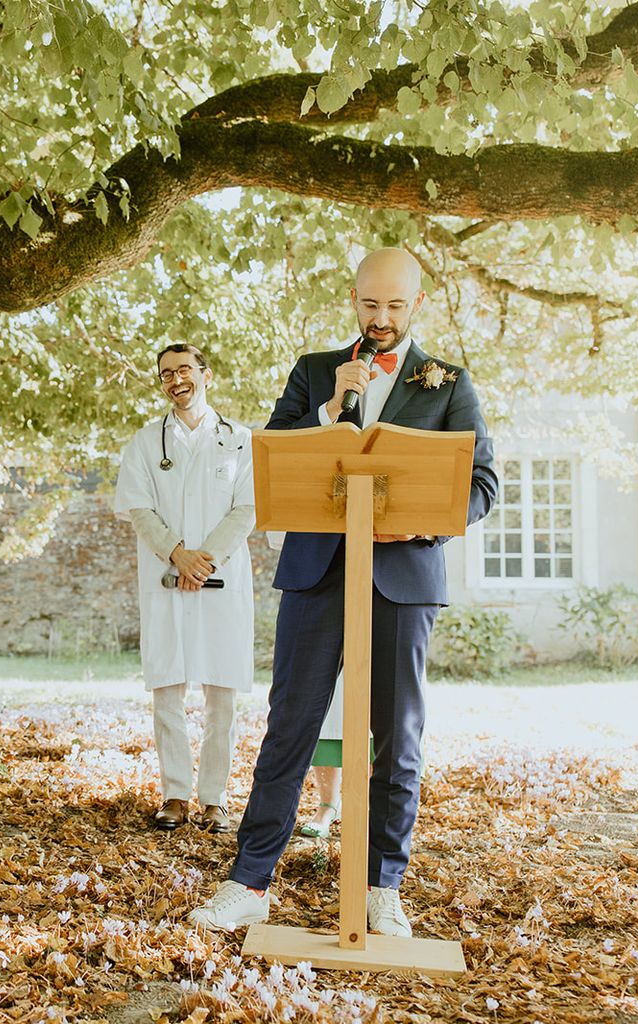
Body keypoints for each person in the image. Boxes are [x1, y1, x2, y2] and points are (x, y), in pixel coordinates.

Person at [189, 248, 497, 937]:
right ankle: (249, 882)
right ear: (353, 299)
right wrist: (329, 408)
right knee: (289, 728)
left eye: (395, 306)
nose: (380, 318)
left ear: (418, 304)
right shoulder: (313, 371)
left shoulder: (450, 384)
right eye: (369, 304)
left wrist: (419, 524)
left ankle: (382, 887)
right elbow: (267, 460)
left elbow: (481, 486)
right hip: (318, 572)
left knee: (398, 738)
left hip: (403, 580)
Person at [113, 343, 255, 834]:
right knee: (168, 693)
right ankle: (174, 794)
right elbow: (139, 510)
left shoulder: (240, 440)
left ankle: (214, 799)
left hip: (222, 580)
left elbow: (247, 509)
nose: (176, 380)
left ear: (205, 375)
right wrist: (178, 555)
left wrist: (204, 558)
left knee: (222, 698)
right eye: (166, 374)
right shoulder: (145, 443)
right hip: (167, 580)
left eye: (185, 370)